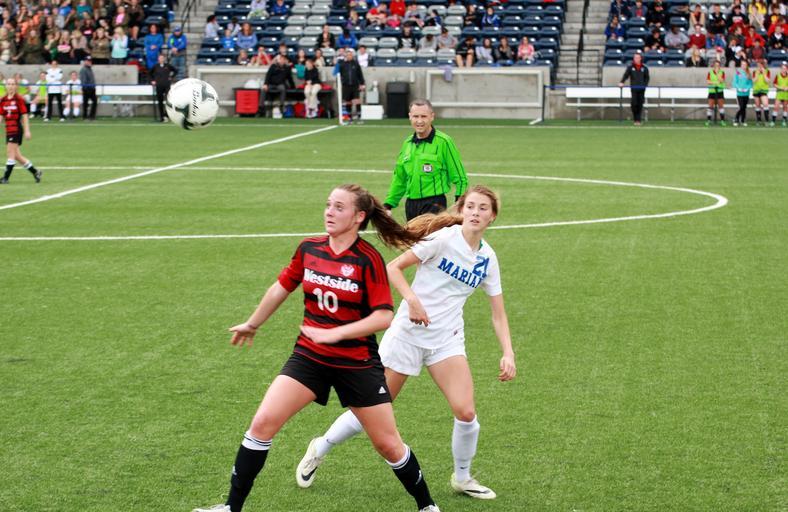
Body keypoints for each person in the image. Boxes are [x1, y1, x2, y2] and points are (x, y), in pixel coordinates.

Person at [191, 184, 441, 512]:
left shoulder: (368, 260)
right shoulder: (309, 249)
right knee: (262, 424)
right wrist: (253, 323)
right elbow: (282, 286)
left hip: (357, 364)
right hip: (310, 357)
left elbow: (383, 316)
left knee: (388, 445)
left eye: (339, 207)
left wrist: (337, 333)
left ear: (359, 217)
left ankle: (427, 506)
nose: (329, 212)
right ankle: (230, 508)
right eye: (328, 205)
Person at [296, 185, 516, 500]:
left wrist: (508, 352)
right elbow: (394, 268)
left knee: (466, 412)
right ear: (461, 210)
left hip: (446, 340)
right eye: (470, 206)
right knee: (372, 411)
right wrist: (412, 300)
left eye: (483, 208)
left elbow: (499, 313)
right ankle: (320, 447)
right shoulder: (443, 239)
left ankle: (463, 477)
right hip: (407, 336)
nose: (475, 213)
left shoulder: (488, 259)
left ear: (492, 217)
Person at [383, 99, 468, 221]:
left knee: (431, 234)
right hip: (411, 205)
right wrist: (388, 205)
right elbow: (399, 179)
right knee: (412, 235)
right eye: (415, 116)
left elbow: (460, 178)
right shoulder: (407, 144)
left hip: (434, 204)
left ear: (432, 116)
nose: (419, 121)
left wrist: (460, 204)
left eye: (423, 116)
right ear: (410, 117)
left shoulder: (444, 142)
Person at [1, 78, 42, 184]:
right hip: (8, 129)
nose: (10, 86)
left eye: (12, 84)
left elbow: (24, 115)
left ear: (16, 86)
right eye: (8, 84)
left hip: (16, 129)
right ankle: (36, 172)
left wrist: (27, 130)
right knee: (17, 156)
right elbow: (1, 115)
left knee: (10, 153)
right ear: (5, 86)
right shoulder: (3, 100)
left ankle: (5, 178)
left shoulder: (19, 99)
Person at [618, 52, 650, 126]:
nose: (636, 59)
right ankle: (635, 118)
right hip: (634, 89)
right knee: (634, 103)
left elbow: (647, 78)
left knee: (640, 104)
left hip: (642, 89)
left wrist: (644, 85)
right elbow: (626, 75)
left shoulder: (644, 68)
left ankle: (638, 120)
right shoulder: (630, 67)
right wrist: (622, 82)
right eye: (635, 58)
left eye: (637, 58)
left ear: (640, 58)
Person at [336, 47, 365, 123]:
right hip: (346, 86)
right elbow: (338, 75)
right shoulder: (342, 64)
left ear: (352, 56)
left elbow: (360, 75)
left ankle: (359, 117)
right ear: (346, 56)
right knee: (348, 102)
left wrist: (362, 84)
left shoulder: (356, 64)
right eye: (347, 55)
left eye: (350, 55)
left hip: (355, 85)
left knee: (357, 101)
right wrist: (338, 83)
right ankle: (349, 117)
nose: (349, 56)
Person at [151, 53, 176, 122]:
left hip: (167, 85)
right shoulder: (155, 66)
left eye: (162, 58)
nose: (161, 59)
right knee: (160, 101)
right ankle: (161, 117)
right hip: (159, 86)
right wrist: (152, 80)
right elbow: (150, 74)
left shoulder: (168, 66)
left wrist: (171, 77)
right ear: (158, 59)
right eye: (160, 58)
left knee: (168, 101)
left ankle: (166, 115)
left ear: (164, 59)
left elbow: (175, 71)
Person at [705, 59, 727, 126]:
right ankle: (708, 120)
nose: (717, 66)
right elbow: (708, 81)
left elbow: (721, 80)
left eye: (718, 65)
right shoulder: (710, 72)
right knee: (710, 106)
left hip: (719, 91)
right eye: (716, 65)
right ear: (713, 66)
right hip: (712, 91)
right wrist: (715, 82)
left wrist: (717, 74)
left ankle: (722, 121)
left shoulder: (722, 72)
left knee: (721, 106)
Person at [732, 59, 752, 126]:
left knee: (744, 107)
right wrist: (738, 88)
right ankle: (736, 119)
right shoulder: (738, 72)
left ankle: (743, 120)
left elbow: (750, 84)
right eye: (742, 64)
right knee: (741, 107)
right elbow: (735, 82)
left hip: (746, 93)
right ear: (741, 65)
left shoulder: (748, 73)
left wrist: (747, 88)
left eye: (745, 65)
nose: (744, 66)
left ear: (747, 65)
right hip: (739, 93)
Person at [751, 59, 771, 125]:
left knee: (765, 104)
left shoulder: (767, 71)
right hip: (756, 90)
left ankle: (767, 121)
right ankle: (758, 120)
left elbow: (767, 81)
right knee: (757, 105)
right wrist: (757, 74)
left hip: (763, 90)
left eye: (760, 65)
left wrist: (764, 73)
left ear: (763, 65)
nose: (759, 66)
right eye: (758, 65)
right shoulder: (755, 71)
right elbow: (753, 81)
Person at [80, 56, 97, 120]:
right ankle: (86, 116)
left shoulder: (90, 69)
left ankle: (91, 116)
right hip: (87, 88)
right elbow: (83, 80)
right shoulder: (83, 69)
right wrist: (85, 88)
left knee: (93, 102)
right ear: (85, 62)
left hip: (92, 88)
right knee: (86, 103)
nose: (90, 62)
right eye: (88, 61)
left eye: (90, 61)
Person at [773, 62, 788, 126]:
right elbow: (774, 84)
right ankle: (773, 121)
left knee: (785, 107)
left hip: (786, 94)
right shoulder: (778, 75)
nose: (783, 70)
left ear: (787, 69)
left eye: (785, 68)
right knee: (776, 107)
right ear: (780, 69)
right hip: (779, 93)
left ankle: (784, 121)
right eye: (782, 68)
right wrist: (780, 87)